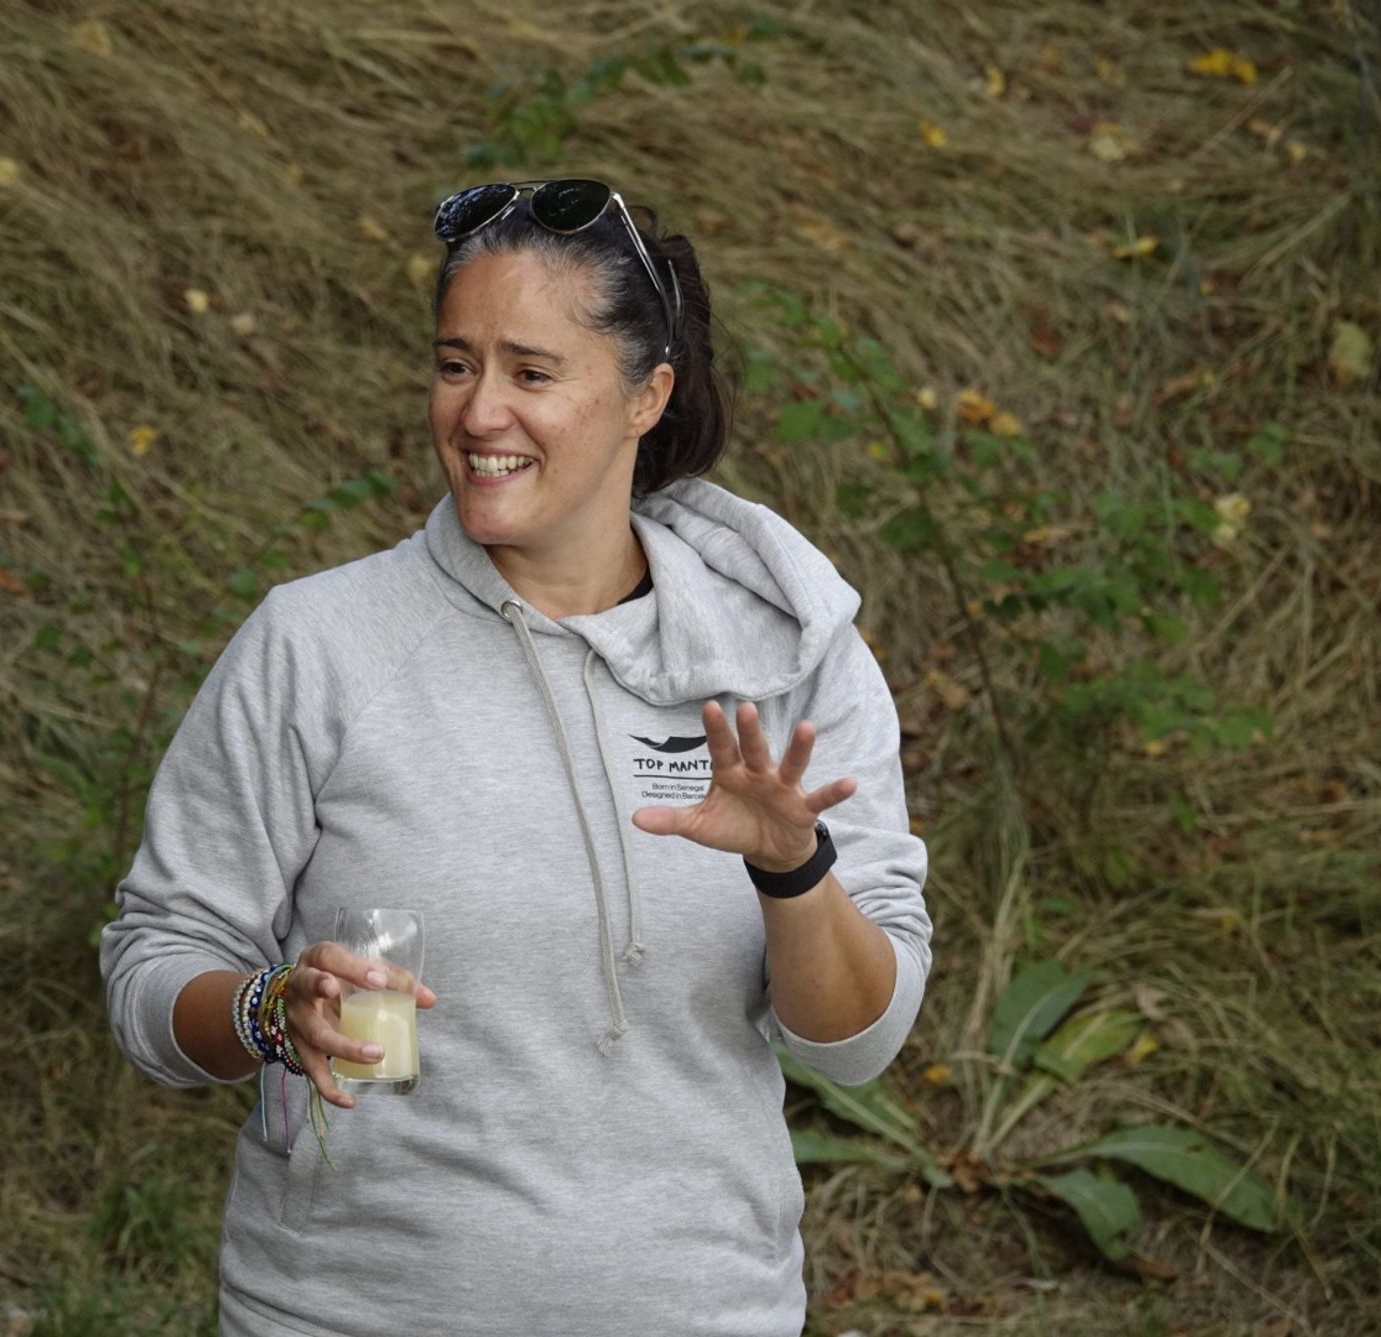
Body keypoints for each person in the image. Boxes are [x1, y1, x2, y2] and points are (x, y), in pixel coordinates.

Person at [99, 177, 933, 1337]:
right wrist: (262, 1009)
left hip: (701, 1308)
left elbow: (858, 1043)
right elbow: (151, 966)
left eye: (530, 373)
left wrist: (793, 868)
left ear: (648, 394)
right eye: (454, 364)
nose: (478, 412)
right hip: (346, 1310)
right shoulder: (319, 645)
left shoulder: (785, 662)